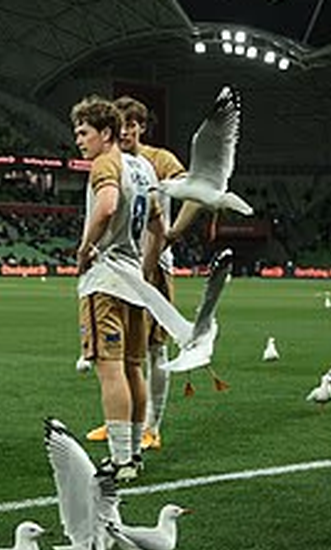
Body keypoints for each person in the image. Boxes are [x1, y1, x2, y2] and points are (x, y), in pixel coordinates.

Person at [84, 96, 200, 452]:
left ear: (141, 127)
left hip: (151, 266)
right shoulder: (124, 163)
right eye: (123, 124)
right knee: (127, 357)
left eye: (133, 124)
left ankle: (151, 426)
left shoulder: (158, 160)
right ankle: (123, 427)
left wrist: (173, 234)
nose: (127, 130)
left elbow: (194, 192)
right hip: (131, 266)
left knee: (149, 351)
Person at [70, 95, 164, 482]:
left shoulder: (105, 163)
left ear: (105, 132)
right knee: (133, 369)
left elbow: (107, 205)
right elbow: (158, 228)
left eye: (83, 132)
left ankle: (121, 459)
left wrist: (84, 249)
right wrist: (144, 270)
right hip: (134, 280)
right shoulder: (143, 167)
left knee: (110, 371)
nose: (79, 140)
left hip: (106, 279)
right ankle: (135, 452)